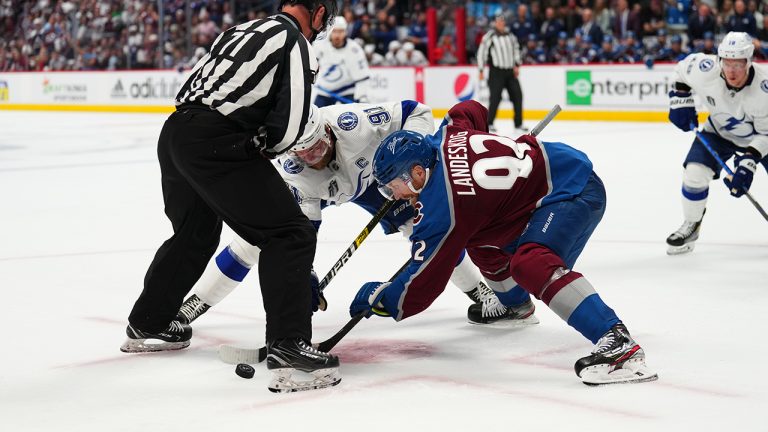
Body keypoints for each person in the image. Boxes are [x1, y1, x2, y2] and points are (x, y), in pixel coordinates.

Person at [348, 100, 657, 386]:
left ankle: (618, 343)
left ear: (417, 172)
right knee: (480, 238)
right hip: (547, 177)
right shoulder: (446, 134)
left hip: (570, 190)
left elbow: (421, 286)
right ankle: (515, 305)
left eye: (394, 187)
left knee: (530, 262)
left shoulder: (445, 210)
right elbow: (469, 109)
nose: (396, 196)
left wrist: (383, 298)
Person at [121, 0, 342, 393]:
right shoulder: (295, 40)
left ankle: (150, 321)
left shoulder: (241, 30)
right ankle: (288, 345)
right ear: (319, 12)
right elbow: (290, 125)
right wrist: (260, 147)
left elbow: (198, 86)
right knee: (289, 231)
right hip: (218, 142)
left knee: (195, 233)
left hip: (176, 133)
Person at [176, 101, 532, 327]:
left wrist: (407, 159)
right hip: (327, 194)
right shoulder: (295, 172)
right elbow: (300, 235)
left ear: (329, 132)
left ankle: (481, 293)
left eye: (316, 147)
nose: (311, 157)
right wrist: (303, 276)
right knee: (255, 240)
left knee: (427, 230)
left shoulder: (353, 123)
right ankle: (195, 304)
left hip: (383, 177)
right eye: (303, 153)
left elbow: (415, 112)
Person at [666, 32, 768, 254]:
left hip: (760, 138)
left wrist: (748, 163)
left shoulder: (765, 88)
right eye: (727, 62)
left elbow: (766, 134)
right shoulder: (705, 68)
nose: (731, 70)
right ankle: (692, 224)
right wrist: (680, 100)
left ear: (749, 61)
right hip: (718, 132)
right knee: (694, 174)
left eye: (738, 64)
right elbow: (680, 71)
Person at [477, 13, 526, 134]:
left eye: (502, 21)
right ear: (494, 23)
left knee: (518, 96)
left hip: (510, 71)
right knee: (495, 98)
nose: (501, 23)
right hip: (496, 71)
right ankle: (489, 123)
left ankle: (518, 124)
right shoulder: (489, 36)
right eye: (498, 21)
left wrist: (517, 65)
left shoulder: (510, 36)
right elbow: (481, 53)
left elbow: (516, 50)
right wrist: (481, 69)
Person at [314, 16, 370, 107]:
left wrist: (362, 97)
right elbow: (310, 63)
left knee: (352, 118)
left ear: (345, 32)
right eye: (334, 31)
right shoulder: (320, 45)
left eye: (340, 31)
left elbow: (363, 77)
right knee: (316, 118)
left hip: (347, 91)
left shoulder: (354, 50)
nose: (337, 35)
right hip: (325, 91)